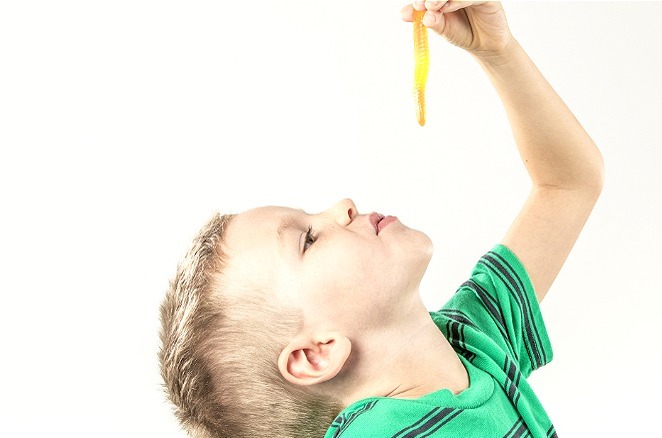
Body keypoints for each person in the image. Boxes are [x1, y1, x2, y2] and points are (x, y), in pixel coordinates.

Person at [159, 1, 604, 437]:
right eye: (308, 240)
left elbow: (568, 185)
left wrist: (497, 51)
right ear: (317, 353)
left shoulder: (473, 343)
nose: (342, 206)